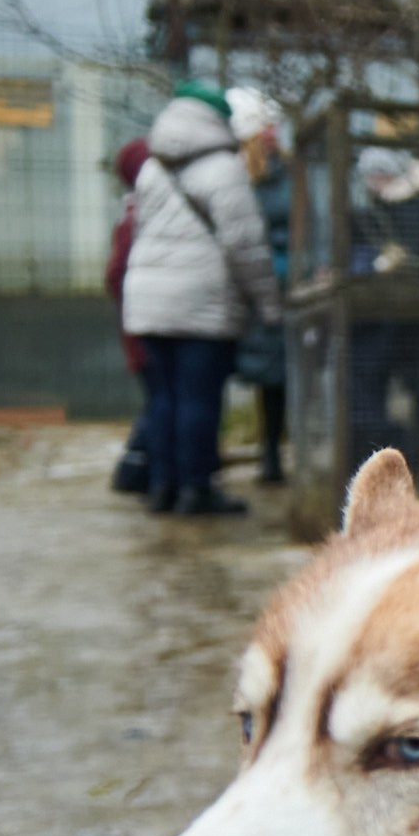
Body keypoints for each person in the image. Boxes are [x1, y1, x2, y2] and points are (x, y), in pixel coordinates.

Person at [119, 81, 282, 516]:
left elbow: (139, 232)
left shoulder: (152, 168)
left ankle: (162, 488)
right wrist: (268, 303)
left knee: (163, 399)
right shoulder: (224, 168)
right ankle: (196, 490)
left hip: (147, 300)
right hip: (200, 302)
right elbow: (245, 245)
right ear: (215, 121)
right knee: (199, 399)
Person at [347, 147, 419, 473]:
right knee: (414, 380)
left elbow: (416, 253)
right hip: (394, 312)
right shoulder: (387, 207)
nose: (370, 182)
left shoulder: (410, 206)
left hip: (410, 311)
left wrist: (388, 263)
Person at [230, 88, 290, 486]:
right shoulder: (240, 175)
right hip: (256, 289)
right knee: (269, 376)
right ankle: (269, 452)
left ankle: (275, 451)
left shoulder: (289, 171)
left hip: (287, 285)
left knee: (283, 376)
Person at [101, 137, 155, 496]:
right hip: (146, 328)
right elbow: (115, 275)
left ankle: (145, 474)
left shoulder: (134, 213)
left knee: (159, 401)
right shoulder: (137, 217)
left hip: (141, 324)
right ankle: (137, 473)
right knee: (160, 402)